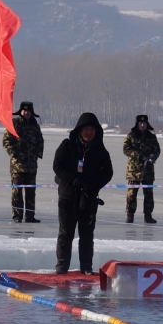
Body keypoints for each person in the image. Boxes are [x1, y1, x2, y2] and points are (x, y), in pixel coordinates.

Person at [53, 113, 113, 275]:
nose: (88, 133)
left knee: (86, 235)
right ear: (79, 130)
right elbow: (58, 166)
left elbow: (108, 173)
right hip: (68, 196)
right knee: (66, 233)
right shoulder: (68, 145)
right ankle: (62, 268)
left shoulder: (100, 150)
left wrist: (93, 184)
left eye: (92, 129)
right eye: (86, 129)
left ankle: (86, 267)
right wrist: (73, 180)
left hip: (88, 198)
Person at [2, 101, 45, 223]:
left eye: (28, 111)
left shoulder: (35, 126)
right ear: (21, 111)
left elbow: (40, 141)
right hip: (18, 165)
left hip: (31, 166)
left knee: (31, 192)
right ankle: (17, 215)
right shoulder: (14, 124)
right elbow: (6, 141)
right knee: (17, 192)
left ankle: (30, 216)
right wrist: (14, 153)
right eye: (24, 111)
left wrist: (37, 154)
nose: (26, 113)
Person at [122, 114, 161, 224]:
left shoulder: (151, 136)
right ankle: (130, 215)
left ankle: (148, 216)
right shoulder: (131, 135)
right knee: (131, 194)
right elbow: (126, 149)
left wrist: (151, 159)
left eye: (144, 123)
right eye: (140, 123)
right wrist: (138, 156)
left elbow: (157, 150)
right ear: (137, 124)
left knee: (148, 194)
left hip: (147, 170)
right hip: (134, 170)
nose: (143, 125)